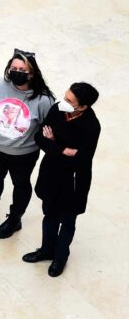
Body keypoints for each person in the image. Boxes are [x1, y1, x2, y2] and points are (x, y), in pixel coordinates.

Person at [23, 83, 101, 277]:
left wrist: (53, 143)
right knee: (49, 215)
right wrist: (62, 149)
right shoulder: (57, 109)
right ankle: (46, 250)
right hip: (51, 173)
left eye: (69, 100)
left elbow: (82, 158)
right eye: (65, 97)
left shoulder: (91, 126)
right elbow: (40, 137)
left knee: (67, 221)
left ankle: (60, 257)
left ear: (82, 106)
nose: (63, 102)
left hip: (73, 181)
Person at [0, 50, 55, 238]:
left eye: (22, 70)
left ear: (32, 74)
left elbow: (47, 125)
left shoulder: (44, 100)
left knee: (21, 184)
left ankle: (15, 219)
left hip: (24, 154)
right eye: (13, 68)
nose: (16, 72)